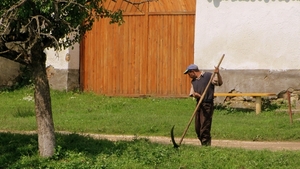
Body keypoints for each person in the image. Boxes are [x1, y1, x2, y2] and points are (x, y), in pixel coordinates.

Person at [183, 64, 223, 146]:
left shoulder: (208, 76)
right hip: (199, 104)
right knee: (198, 128)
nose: (188, 75)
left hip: (207, 104)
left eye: (189, 73)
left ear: (193, 72)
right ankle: (203, 144)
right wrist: (195, 95)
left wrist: (217, 73)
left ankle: (206, 146)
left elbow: (219, 83)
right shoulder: (193, 81)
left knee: (204, 127)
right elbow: (192, 93)